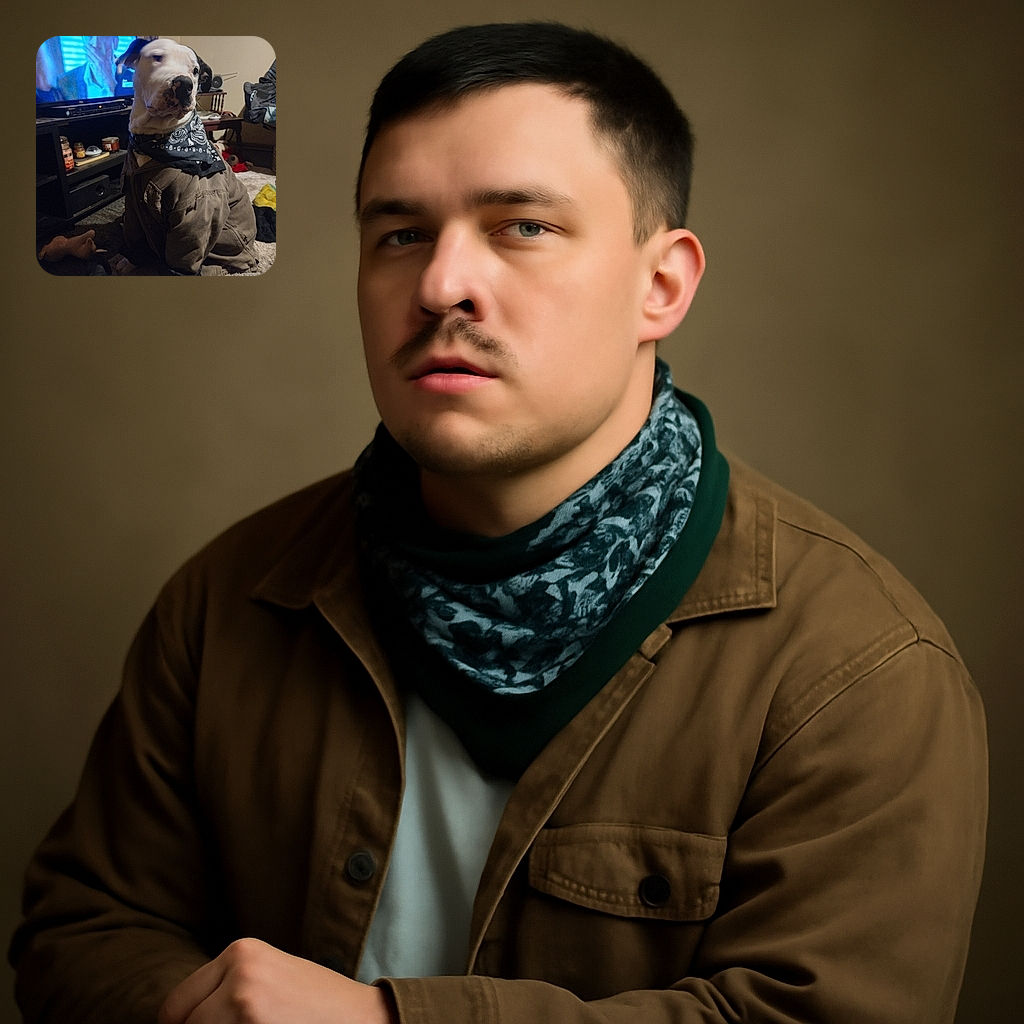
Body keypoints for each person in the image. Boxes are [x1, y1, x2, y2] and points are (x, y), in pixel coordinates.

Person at [9, 21, 987, 1024]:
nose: (439, 286)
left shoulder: (858, 667)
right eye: (400, 234)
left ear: (662, 285)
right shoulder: (229, 599)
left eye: (521, 226)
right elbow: (79, 931)